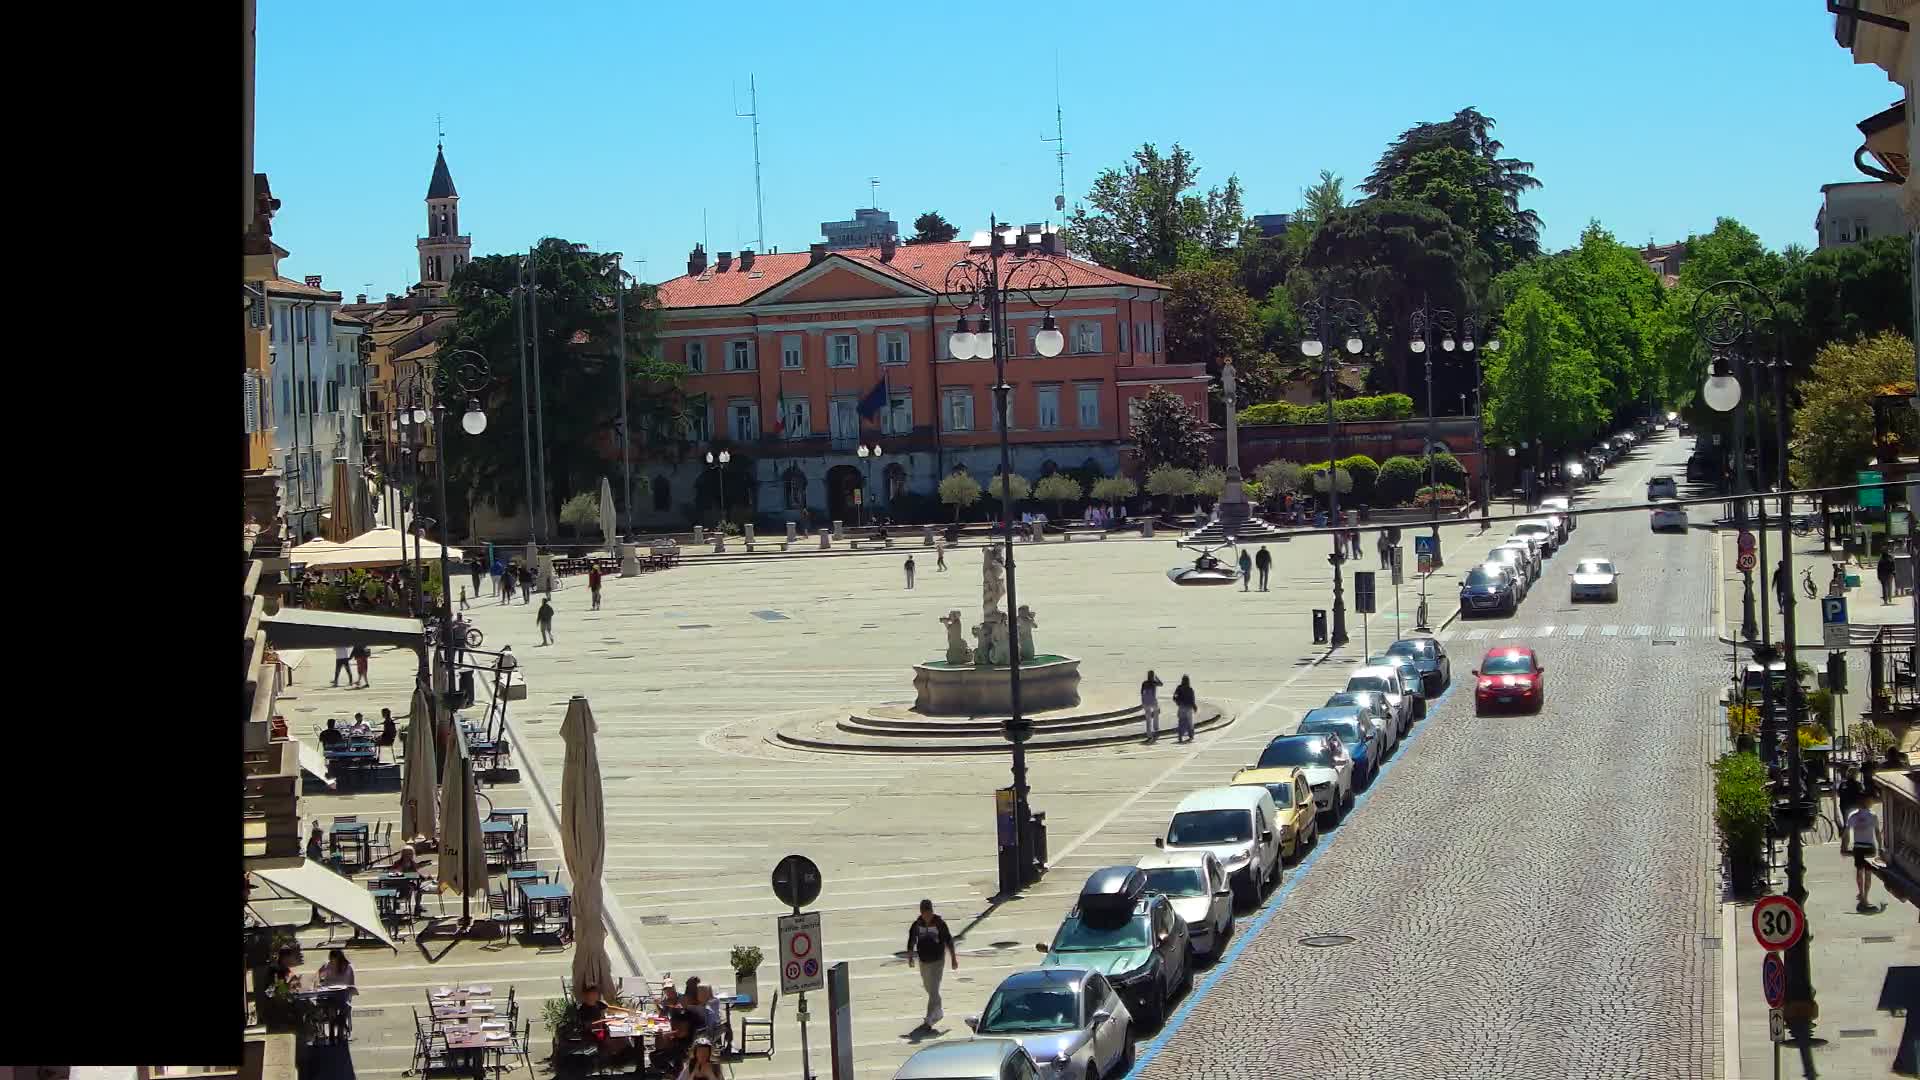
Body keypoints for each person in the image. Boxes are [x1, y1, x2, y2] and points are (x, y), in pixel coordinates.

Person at [906, 899, 957, 1030]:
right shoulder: (917, 925)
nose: (927, 915)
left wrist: (953, 958)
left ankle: (929, 1019)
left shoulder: (939, 923)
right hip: (923, 961)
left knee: (934, 989)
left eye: (929, 912)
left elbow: (949, 940)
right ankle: (939, 1011)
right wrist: (910, 957)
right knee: (929, 988)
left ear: (932, 911)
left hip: (937, 960)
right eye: (924, 913)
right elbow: (911, 941)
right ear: (921, 912)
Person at [1845, 793, 1885, 911]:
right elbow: (1877, 833)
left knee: (1859, 871)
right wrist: (1880, 847)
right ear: (1868, 803)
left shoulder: (1853, 816)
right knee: (1868, 874)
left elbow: (1847, 832)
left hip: (1858, 846)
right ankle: (1865, 897)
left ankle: (1861, 894)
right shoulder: (1872, 816)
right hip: (1869, 847)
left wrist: (1845, 846)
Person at [315, 948, 357, 1040]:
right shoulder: (327, 965)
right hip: (329, 994)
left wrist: (350, 989)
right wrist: (318, 981)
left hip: (342, 995)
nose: (332, 962)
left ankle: (340, 1030)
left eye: (333, 959)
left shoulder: (348, 967)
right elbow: (318, 974)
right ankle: (332, 1030)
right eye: (331, 959)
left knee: (344, 1007)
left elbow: (352, 984)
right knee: (330, 1007)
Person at [1141, 670, 1164, 743]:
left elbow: (1142, 692)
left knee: (1148, 720)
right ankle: (1156, 729)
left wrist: (1143, 702)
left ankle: (1149, 735)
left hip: (1146, 702)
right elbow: (1161, 684)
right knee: (1156, 713)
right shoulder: (1154, 682)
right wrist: (1156, 677)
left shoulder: (1144, 683)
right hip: (1153, 701)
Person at [1173, 675, 1198, 743]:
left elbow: (1174, 697)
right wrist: (1194, 707)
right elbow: (1192, 700)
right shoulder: (1190, 689)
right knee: (1189, 722)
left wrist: (1178, 702)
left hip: (1181, 707)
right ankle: (1191, 735)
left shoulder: (1179, 688)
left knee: (1181, 722)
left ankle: (1180, 736)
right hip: (1188, 708)